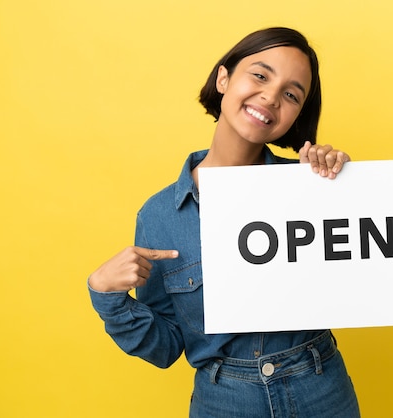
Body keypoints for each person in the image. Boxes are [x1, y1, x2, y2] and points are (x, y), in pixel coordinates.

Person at [88, 27, 361, 418]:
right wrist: (108, 298)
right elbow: (166, 347)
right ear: (223, 79)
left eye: (291, 94)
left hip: (320, 387)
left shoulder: (310, 185)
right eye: (261, 75)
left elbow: (359, 278)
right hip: (224, 401)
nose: (270, 97)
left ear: (298, 113)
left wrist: (341, 188)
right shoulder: (158, 217)